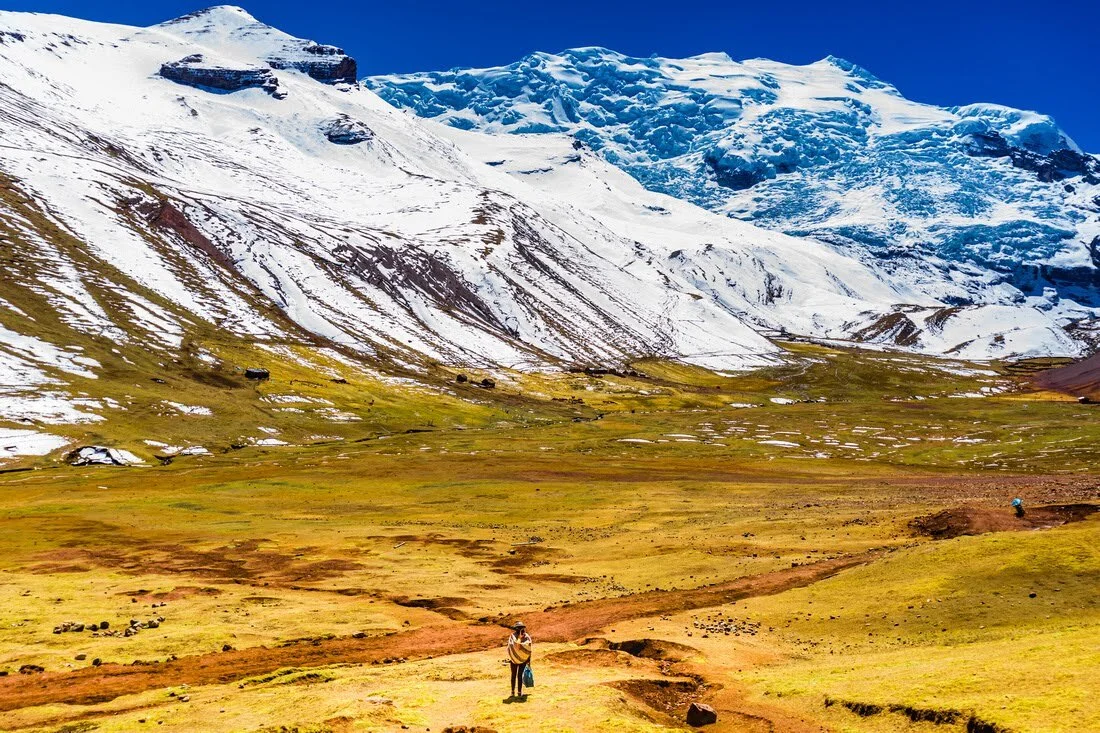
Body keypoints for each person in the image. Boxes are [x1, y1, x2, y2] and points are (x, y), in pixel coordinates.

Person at [507, 621, 532, 698]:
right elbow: (512, 646)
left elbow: (528, 648)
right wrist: (519, 638)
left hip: (523, 659)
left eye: (521, 628)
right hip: (514, 659)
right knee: (513, 675)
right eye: (519, 628)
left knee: (519, 675)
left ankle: (519, 692)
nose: (520, 630)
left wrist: (528, 660)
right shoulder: (512, 636)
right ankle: (512, 692)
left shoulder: (526, 637)